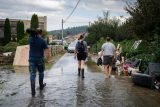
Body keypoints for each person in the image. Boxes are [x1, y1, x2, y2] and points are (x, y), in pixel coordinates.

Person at [27, 28, 49, 97]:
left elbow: (30, 34)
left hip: (31, 60)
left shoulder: (30, 39)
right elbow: (46, 50)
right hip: (40, 59)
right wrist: (46, 58)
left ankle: (33, 92)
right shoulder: (43, 41)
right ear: (41, 33)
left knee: (32, 75)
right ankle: (41, 86)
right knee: (41, 73)